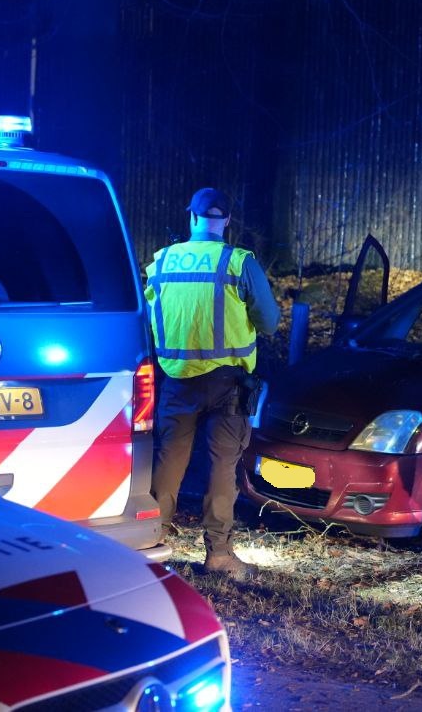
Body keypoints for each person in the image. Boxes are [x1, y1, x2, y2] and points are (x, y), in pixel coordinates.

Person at [146, 188, 279, 579]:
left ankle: (152, 545)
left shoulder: (162, 262)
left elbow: (149, 316)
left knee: (169, 461)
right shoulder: (239, 262)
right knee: (223, 465)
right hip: (228, 383)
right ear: (227, 222)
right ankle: (219, 554)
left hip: (176, 379)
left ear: (191, 217)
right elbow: (269, 323)